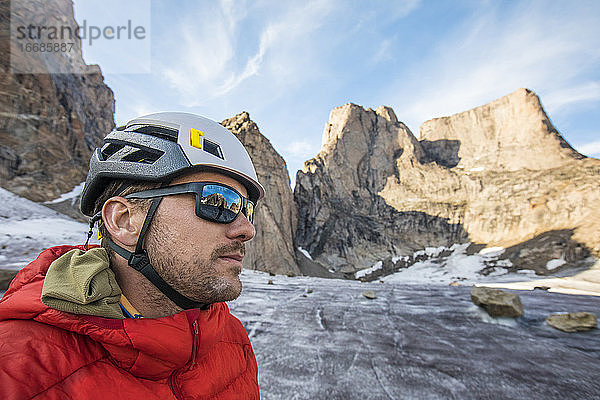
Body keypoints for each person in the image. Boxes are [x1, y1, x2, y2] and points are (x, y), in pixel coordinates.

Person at [0, 112, 263, 399]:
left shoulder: (232, 338)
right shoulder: (18, 364)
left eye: (247, 210)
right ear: (124, 220)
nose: (246, 229)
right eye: (218, 201)